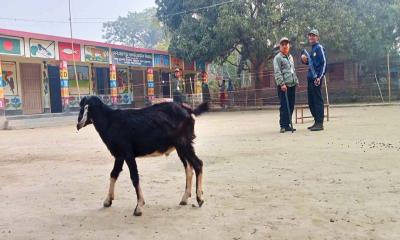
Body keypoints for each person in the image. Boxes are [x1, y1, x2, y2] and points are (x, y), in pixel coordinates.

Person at [301, 29, 327, 131]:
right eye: (310, 36)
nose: (311, 37)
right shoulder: (312, 50)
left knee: (317, 101)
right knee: (311, 101)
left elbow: (323, 63)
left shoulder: (319, 48)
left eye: (313, 35)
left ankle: (320, 123)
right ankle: (316, 121)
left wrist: (319, 77)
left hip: (316, 79)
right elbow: (312, 64)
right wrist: (304, 60)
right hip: (310, 79)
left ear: (318, 38)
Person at [273, 37, 299, 133]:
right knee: (284, 106)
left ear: (289, 46)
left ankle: (288, 124)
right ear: (280, 46)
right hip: (284, 86)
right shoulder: (278, 58)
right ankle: (283, 125)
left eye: (286, 44)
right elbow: (277, 72)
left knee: (291, 105)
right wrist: (282, 84)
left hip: (292, 85)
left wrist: (296, 81)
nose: (285, 46)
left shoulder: (290, 57)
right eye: (282, 44)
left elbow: (293, 71)